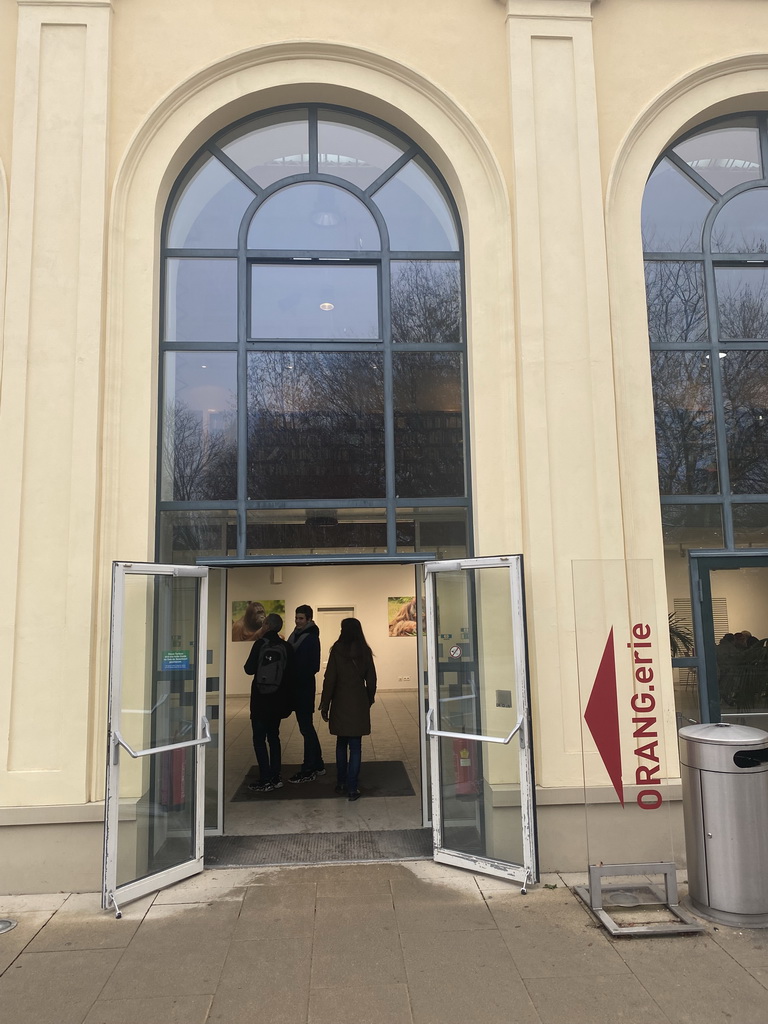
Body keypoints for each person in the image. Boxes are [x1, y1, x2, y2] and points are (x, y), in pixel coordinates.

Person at [319, 617, 377, 801]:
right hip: (358, 701)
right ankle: (353, 788)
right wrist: (368, 698)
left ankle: (341, 783)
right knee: (356, 746)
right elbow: (372, 680)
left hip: (340, 701)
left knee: (341, 744)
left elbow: (330, 679)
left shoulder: (337, 650)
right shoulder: (364, 651)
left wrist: (325, 703)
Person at [245, 613, 293, 793]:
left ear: (266, 625)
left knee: (259, 738)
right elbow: (290, 674)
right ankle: (276, 776)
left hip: (260, 699)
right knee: (274, 736)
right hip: (277, 699)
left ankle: (265, 778)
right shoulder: (286, 646)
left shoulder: (260, 644)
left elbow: (248, 669)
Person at [286, 604, 325, 783]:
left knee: (306, 728)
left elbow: (314, 666)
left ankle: (309, 767)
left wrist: (297, 673)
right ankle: (317, 764)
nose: (297, 621)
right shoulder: (294, 636)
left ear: (309, 619)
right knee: (306, 728)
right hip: (295, 688)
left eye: (301, 618)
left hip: (304, 688)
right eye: (296, 617)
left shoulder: (311, 638)